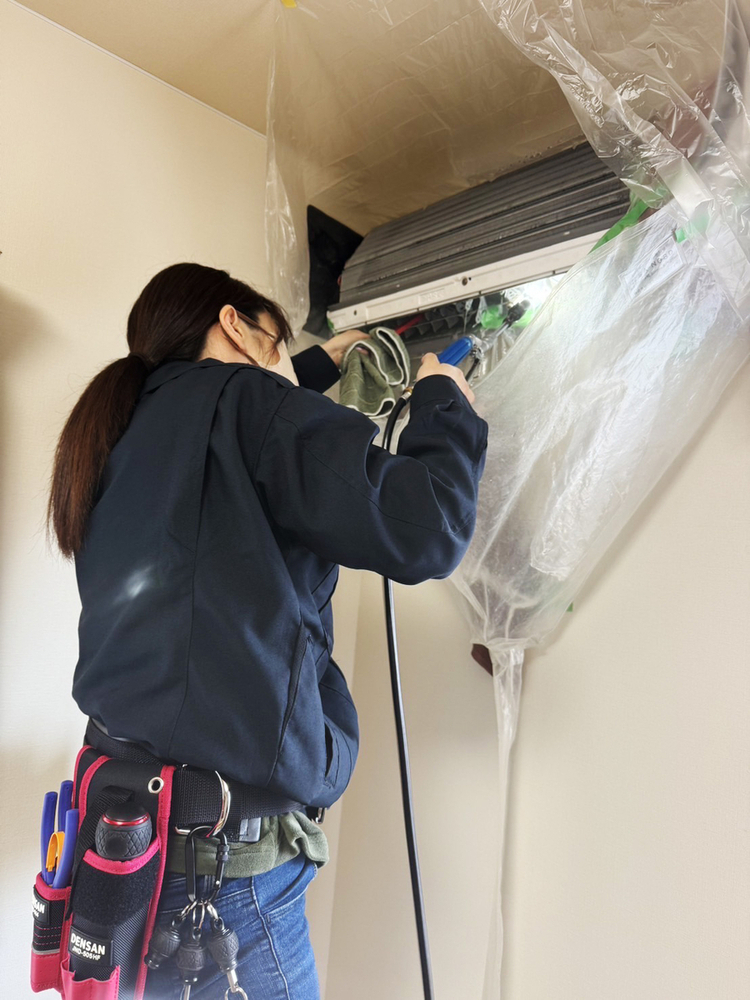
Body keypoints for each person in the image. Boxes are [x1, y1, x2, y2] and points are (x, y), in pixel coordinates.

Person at [46, 262, 489, 999]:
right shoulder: (250, 405)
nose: (286, 367)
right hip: (227, 885)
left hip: (125, 859)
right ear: (233, 324)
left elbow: (237, 446)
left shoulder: (120, 426)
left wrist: (314, 363)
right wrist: (445, 401)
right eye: (279, 344)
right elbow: (428, 526)